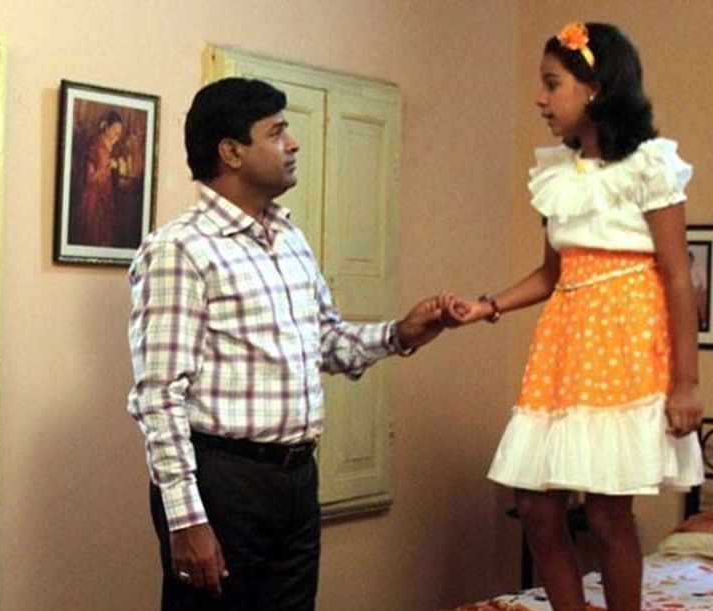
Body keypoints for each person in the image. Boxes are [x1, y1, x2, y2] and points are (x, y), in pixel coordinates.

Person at [127, 77, 448, 611]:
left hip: (296, 480)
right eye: (276, 133)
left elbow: (326, 342)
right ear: (231, 152)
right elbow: (159, 395)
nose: (293, 143)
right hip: (224, 482)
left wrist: (399, 334)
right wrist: (186, 520)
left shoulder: (288, 238)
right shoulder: (180, 249)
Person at [443, 23, 704, 611]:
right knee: (536, 504)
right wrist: (487, 305)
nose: (541, 99)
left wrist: (686, 382)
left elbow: (676, 274)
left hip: (626, 344)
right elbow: (552, 273)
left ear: (595, 88)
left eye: (552, 84)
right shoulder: (559, 172)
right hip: (563, 346)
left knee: (608, 512)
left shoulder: (649, 165)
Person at [74, 110, 125, 246]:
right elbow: (90, 178)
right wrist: (108, 166)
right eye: (114, 130)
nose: (117, 135)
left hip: (105, 199)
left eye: (119, 132)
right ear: (106, 128)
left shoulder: (110, 148)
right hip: (93, 201)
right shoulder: (95, 147)